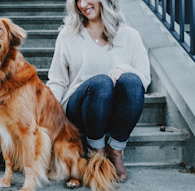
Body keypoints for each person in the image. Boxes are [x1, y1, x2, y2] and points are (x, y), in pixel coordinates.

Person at [46, 0, 151, 182]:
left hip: (116, 112)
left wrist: (124, 69)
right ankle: (97, 151)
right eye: (78, 0)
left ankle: (116, 150)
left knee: (132, 79)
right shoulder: (68, 35)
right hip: (80, 108)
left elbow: (144, 78)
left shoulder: (129, 35)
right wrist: (48, 110)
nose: (83, 4)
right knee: (102, 82)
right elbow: (58, 80)